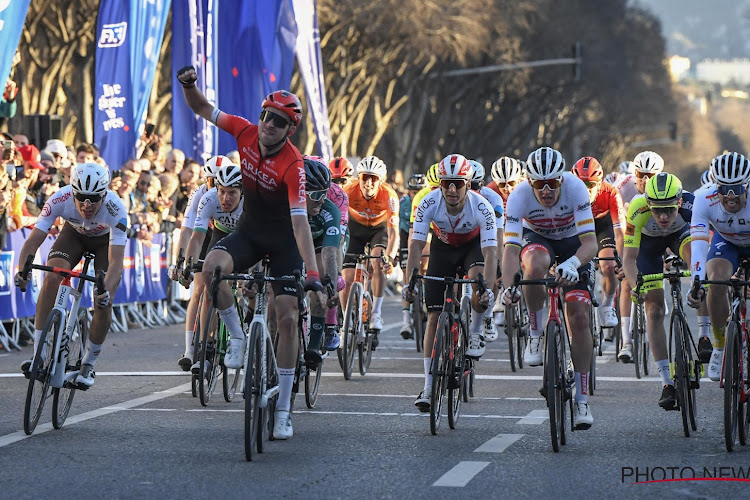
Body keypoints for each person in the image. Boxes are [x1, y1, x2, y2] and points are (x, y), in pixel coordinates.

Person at [177, 65, 324, 441]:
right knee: (211, 269)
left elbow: (300, 224)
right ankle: (238, 338)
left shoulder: (293, 165)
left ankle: (286, 410)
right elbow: (203, 108)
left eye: (277, 121)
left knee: (287, 318)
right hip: (249, 234)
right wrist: (189, 85)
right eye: (265, 116)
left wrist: (311, 272)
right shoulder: (242, 130)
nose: (268, 124)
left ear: (290, 128)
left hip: (285, 242)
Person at [501, 147, 598, 430]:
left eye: (552, 183)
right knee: (534, 263)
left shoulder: (577, 188)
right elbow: (510, 250)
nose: (545, 190)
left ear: (561, 180)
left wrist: (573, 264)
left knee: (579, 316)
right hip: (538, 238)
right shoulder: (518, 196)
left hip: (574, 244)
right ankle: (534, 331)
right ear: (529, 182)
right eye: (539, 185)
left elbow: (590, 243)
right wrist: (508, 287)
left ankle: (581, 399)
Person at [14, 163, 127, 389]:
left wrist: (105, 289)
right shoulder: (59, 198)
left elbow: (116, 263)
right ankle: (40, 353)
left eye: (93, 199)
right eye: (81, 197)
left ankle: (88, 363)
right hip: (73, 236)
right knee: (53, 274)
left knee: (104, 301)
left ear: (104, 195)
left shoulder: (116, 209)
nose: (86, 204)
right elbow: (33, 241)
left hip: (105, 243)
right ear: (72, 191)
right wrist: (22, 271)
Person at [403, 154, 496, 411]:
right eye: (446, 183)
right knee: (433, 316)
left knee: (478, 287)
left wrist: (486, 288)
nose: (452, 189)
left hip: (472, 248)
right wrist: (409, 282)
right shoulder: (427, 203)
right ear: (440, 184)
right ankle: (429, 385)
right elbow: (416, 246)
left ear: (468, 184)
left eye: (458, 183)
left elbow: (490, 253)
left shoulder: (481, 206)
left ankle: (475, 331)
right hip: (442, 249)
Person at [622, 172, 702, 409]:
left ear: (679, 202)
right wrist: (636, 285)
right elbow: (629, 259)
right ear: (648, 205)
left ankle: (705, 335)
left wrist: (699, 278)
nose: (664, 216)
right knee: (654, 310)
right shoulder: (637, 209)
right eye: (657, 210)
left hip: (681, 237)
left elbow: (702, 249)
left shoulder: (691, 204)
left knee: (697, 266)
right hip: (649, 247)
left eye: (669, 209)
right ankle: (667, 382)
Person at [688, 152, 750, 380]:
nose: (731, 196)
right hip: (727, 242)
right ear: (716, 187)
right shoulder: (704, 198)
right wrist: (697, 280)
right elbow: (698, 243)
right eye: (724, 189)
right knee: (715, 280)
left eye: (737, 189)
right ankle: (720, 346)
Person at [183, 162, 244, 373]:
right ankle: (205, 351)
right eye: (222, 192)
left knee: (251, 285)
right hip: (219, 235)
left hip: (245, 238)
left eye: (232, 193)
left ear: (242, 193)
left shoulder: (251, 204)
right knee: (209, 290)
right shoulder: (208, 199)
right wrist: (188, 264)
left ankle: (248, 327)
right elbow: (197, 237)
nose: (225, 198)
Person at [169, 155, 222, 369]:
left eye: (219, 182)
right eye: (211, 181)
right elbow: (187, 231)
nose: (215, 187)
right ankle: (190, 350)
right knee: (199, 289)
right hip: (205, 235)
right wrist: (180, 263)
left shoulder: (237, 193)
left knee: (223, 286)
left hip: (227, 234)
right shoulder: (200, 194)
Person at [342, 156, 400, 347]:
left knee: (377, 262)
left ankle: (376, 312)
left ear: (380, 181)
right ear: (358, 177)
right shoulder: (348, 191)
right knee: (347, 277)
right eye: (365, 177)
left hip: (379, 230)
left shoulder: (389, 196)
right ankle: (346, 322)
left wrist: (389, 258)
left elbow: (393, 234)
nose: (368, 183)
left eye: (373, 179)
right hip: (355, 229)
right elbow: (338, 223)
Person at [571, 156, 624, 330]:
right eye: (581, 184)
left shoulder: (611, 193)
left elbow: (619, 232)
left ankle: (608, 305)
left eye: (591, 185)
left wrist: (621, 260)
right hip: (577, 226)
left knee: (608, 266)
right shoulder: (567, 193)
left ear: (600, 183)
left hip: (602, 225)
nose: (586, 190)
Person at [298, 158, 342, 363]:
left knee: (320, 287)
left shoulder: (329, 210)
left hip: (319, 244)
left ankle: (314, 345)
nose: (322, 200)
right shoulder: (285, 205)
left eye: (325, 193)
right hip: (291, 243)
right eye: (316, 195)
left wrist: (330, 285)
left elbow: (330, 252)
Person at [469, 160, 504, 342]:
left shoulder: (493, 198)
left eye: (475, 186)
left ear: (481, 184)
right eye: (466, 185)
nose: (470, 190)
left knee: (494, 271)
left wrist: (499, 260)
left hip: (485, 236)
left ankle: (488, 314)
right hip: (462, 237)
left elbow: (498, 235)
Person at [398, 173, 427, 338]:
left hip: (422, 234)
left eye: (418, 191)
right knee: (406, 274)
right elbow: (394, 225)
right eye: (412, 192)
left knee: (426, 265)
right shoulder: (403, 203)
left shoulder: (427, 201)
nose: (415, 195)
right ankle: (406, 320)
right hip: (404, 233)